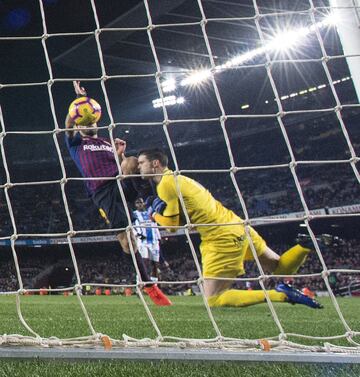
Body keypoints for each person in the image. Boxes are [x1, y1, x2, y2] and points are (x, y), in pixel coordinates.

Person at [136, 148, 323, 309]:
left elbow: (171, 227)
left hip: (221, 237)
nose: (138, 166)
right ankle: (304, 246)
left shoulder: (165, 185)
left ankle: (280, 294)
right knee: (278, 267)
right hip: (238, 225)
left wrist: (154, 214)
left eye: (141, 162)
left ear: (155, 163)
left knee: (214, 299)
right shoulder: (180, 179)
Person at [64, 82, 171, 306]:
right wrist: (79, 102)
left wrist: (120, 154)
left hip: (120, 182)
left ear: (97, 121)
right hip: (102, 192)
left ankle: (152, 199)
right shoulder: (76, 143)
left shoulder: (106, 142)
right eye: (85, 119)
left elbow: (123, 165)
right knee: (127, 241)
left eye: (92, 119)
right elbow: (68, 124)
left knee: (132, 160)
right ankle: (149, 286)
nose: (89, 122)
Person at [133, 197, 162, 282]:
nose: (140, 204)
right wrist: (138, 235)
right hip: (142, 242)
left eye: (141, 202)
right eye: (138, 203)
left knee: (155, 264)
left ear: (144, 203)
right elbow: (131, 227)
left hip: (154, 241)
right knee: (144, 262)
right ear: (135, 205)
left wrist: (159, 237)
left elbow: (155, 225)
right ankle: (140, 283)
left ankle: (155, 286)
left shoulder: (150, 213)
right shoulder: (134, 214)